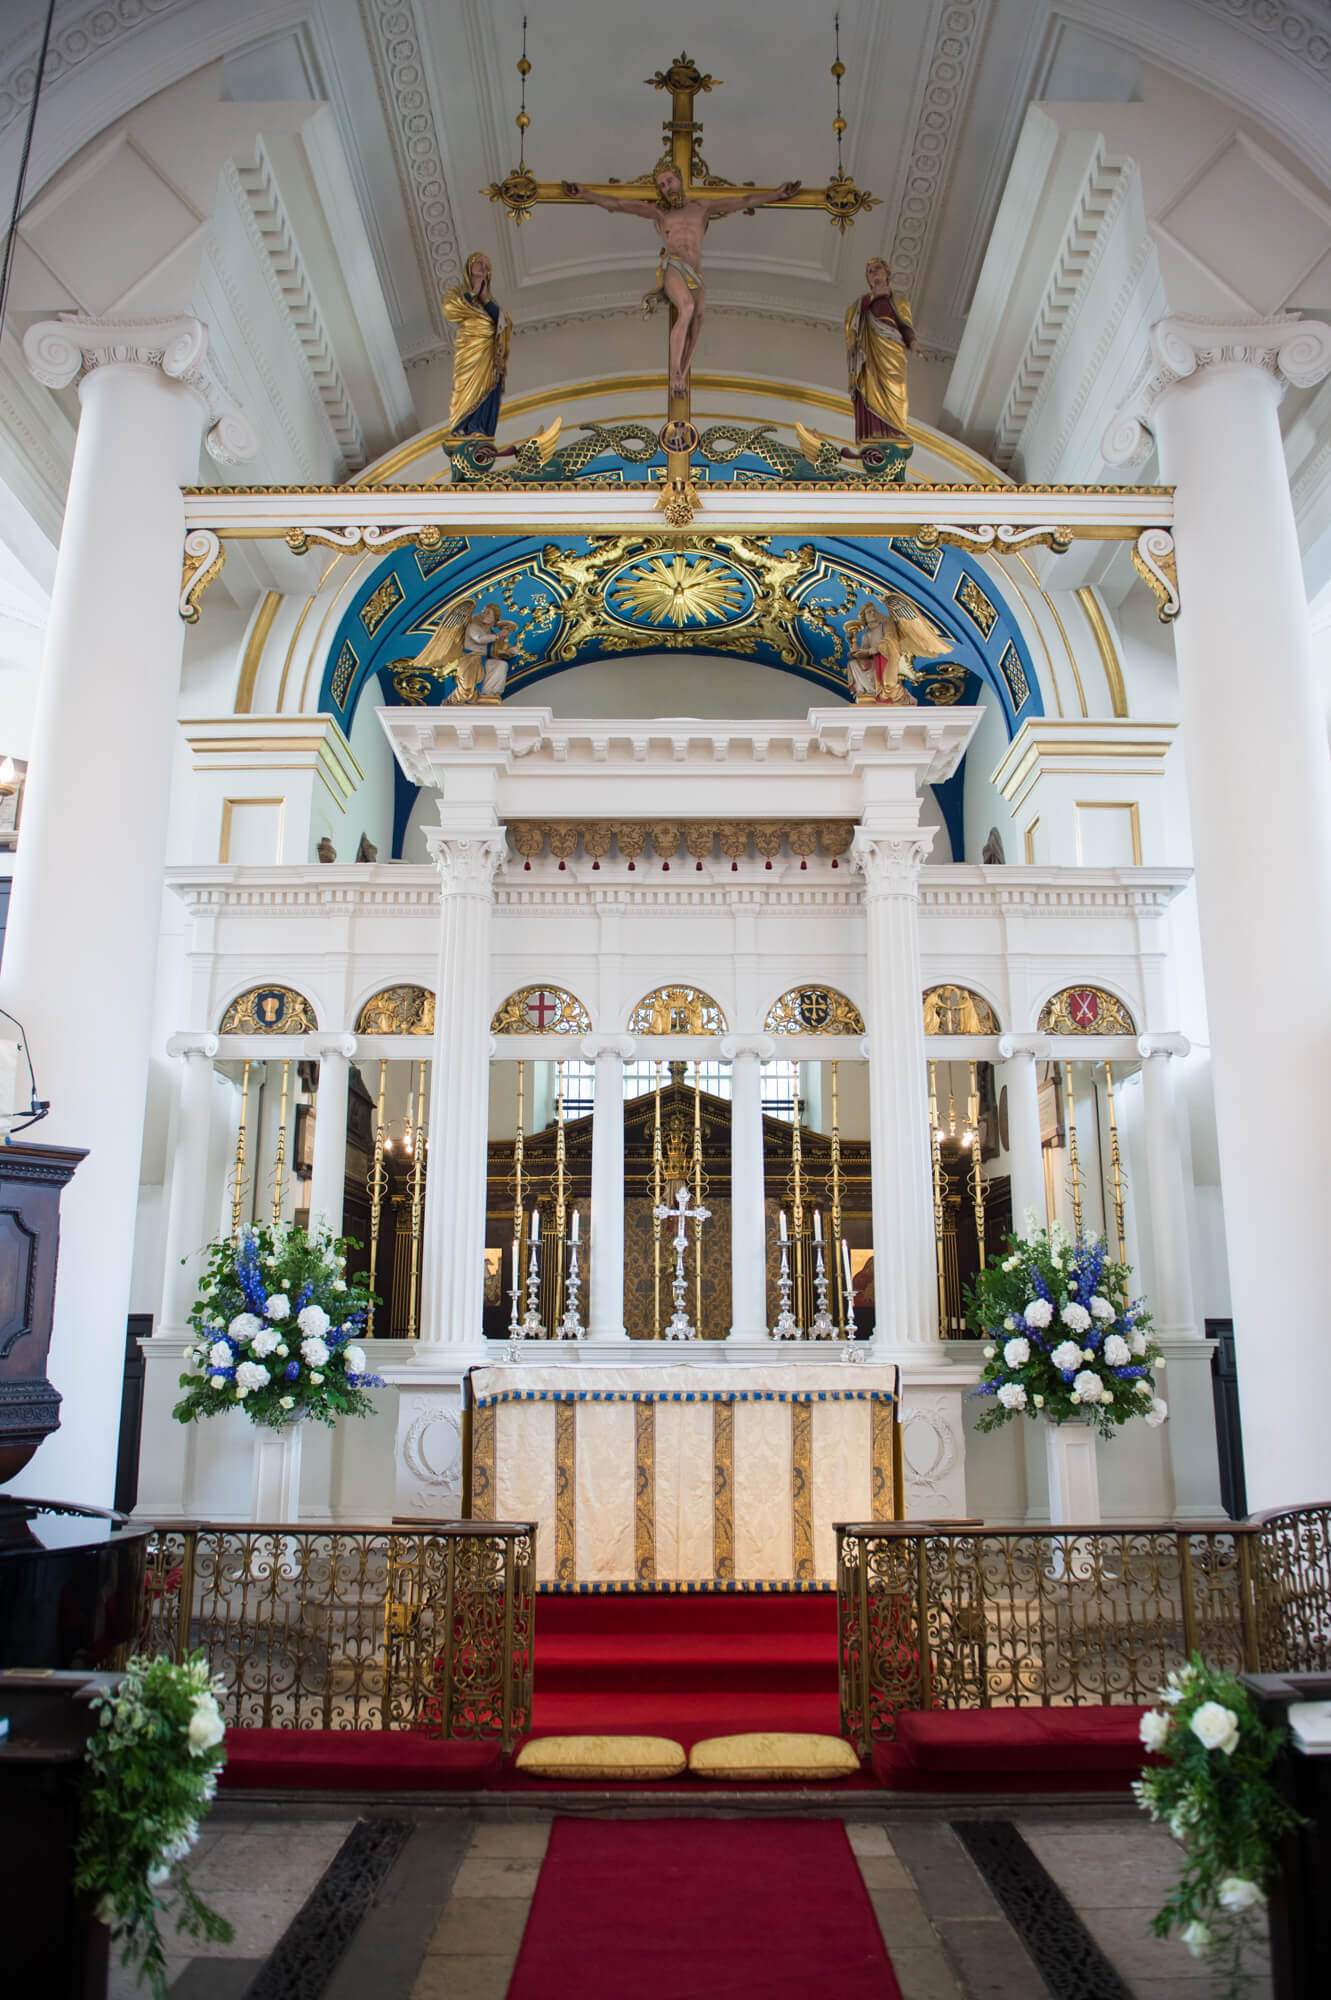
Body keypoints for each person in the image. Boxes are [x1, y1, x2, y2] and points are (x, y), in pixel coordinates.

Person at [561, 162, 802, 396]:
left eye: (670, 181)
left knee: (697, 321)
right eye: (662, 185)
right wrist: (586, 194)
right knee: (686, 308)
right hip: (675, 265)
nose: (667, 187)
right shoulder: (659, 212)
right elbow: (617, 204)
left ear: (680, 180)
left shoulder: (702, 207)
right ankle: (674, 371)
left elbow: (743, 202)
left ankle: (682, 376)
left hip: (695, 272)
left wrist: (777, 194)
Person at [845, 257, 917, 444]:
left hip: (893, 349)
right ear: (868, 280)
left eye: (877, 268)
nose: (874, 272)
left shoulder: (900, 300)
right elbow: (851, 320)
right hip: (870, 350)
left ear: (887, 273)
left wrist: (913, 342)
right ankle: (874, 432)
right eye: (870, 271)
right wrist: (873, 297)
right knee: (869, 385)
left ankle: (896, 430)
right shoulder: (862, 303)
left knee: (897, 386)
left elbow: (905, 325)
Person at [442, 251, 512, 437]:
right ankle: (463, 425)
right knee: (465, 384)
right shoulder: (457, 293)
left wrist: (485, 298)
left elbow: (503, 323)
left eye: (487, 265)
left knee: (489, 384)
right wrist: (472, 293)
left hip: (488, 350)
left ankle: (478, 427)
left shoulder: (490, 301)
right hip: (469, 347)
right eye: (479, 262)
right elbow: (450, 309)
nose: (484, 266)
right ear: (469, 266)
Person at [845, 597, 953, 703]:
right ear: (865, 618)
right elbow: (861, 656)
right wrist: (852, 643)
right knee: (853, 664)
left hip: (888, 657)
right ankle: (866, 693)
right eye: (869, 612)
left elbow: (891, 640)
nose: (873, 613)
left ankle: (900, 695)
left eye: (874, 611)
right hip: (874, 661)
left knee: (888, 685)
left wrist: (870, 651)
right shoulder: (866, 636)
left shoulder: (886, 624)